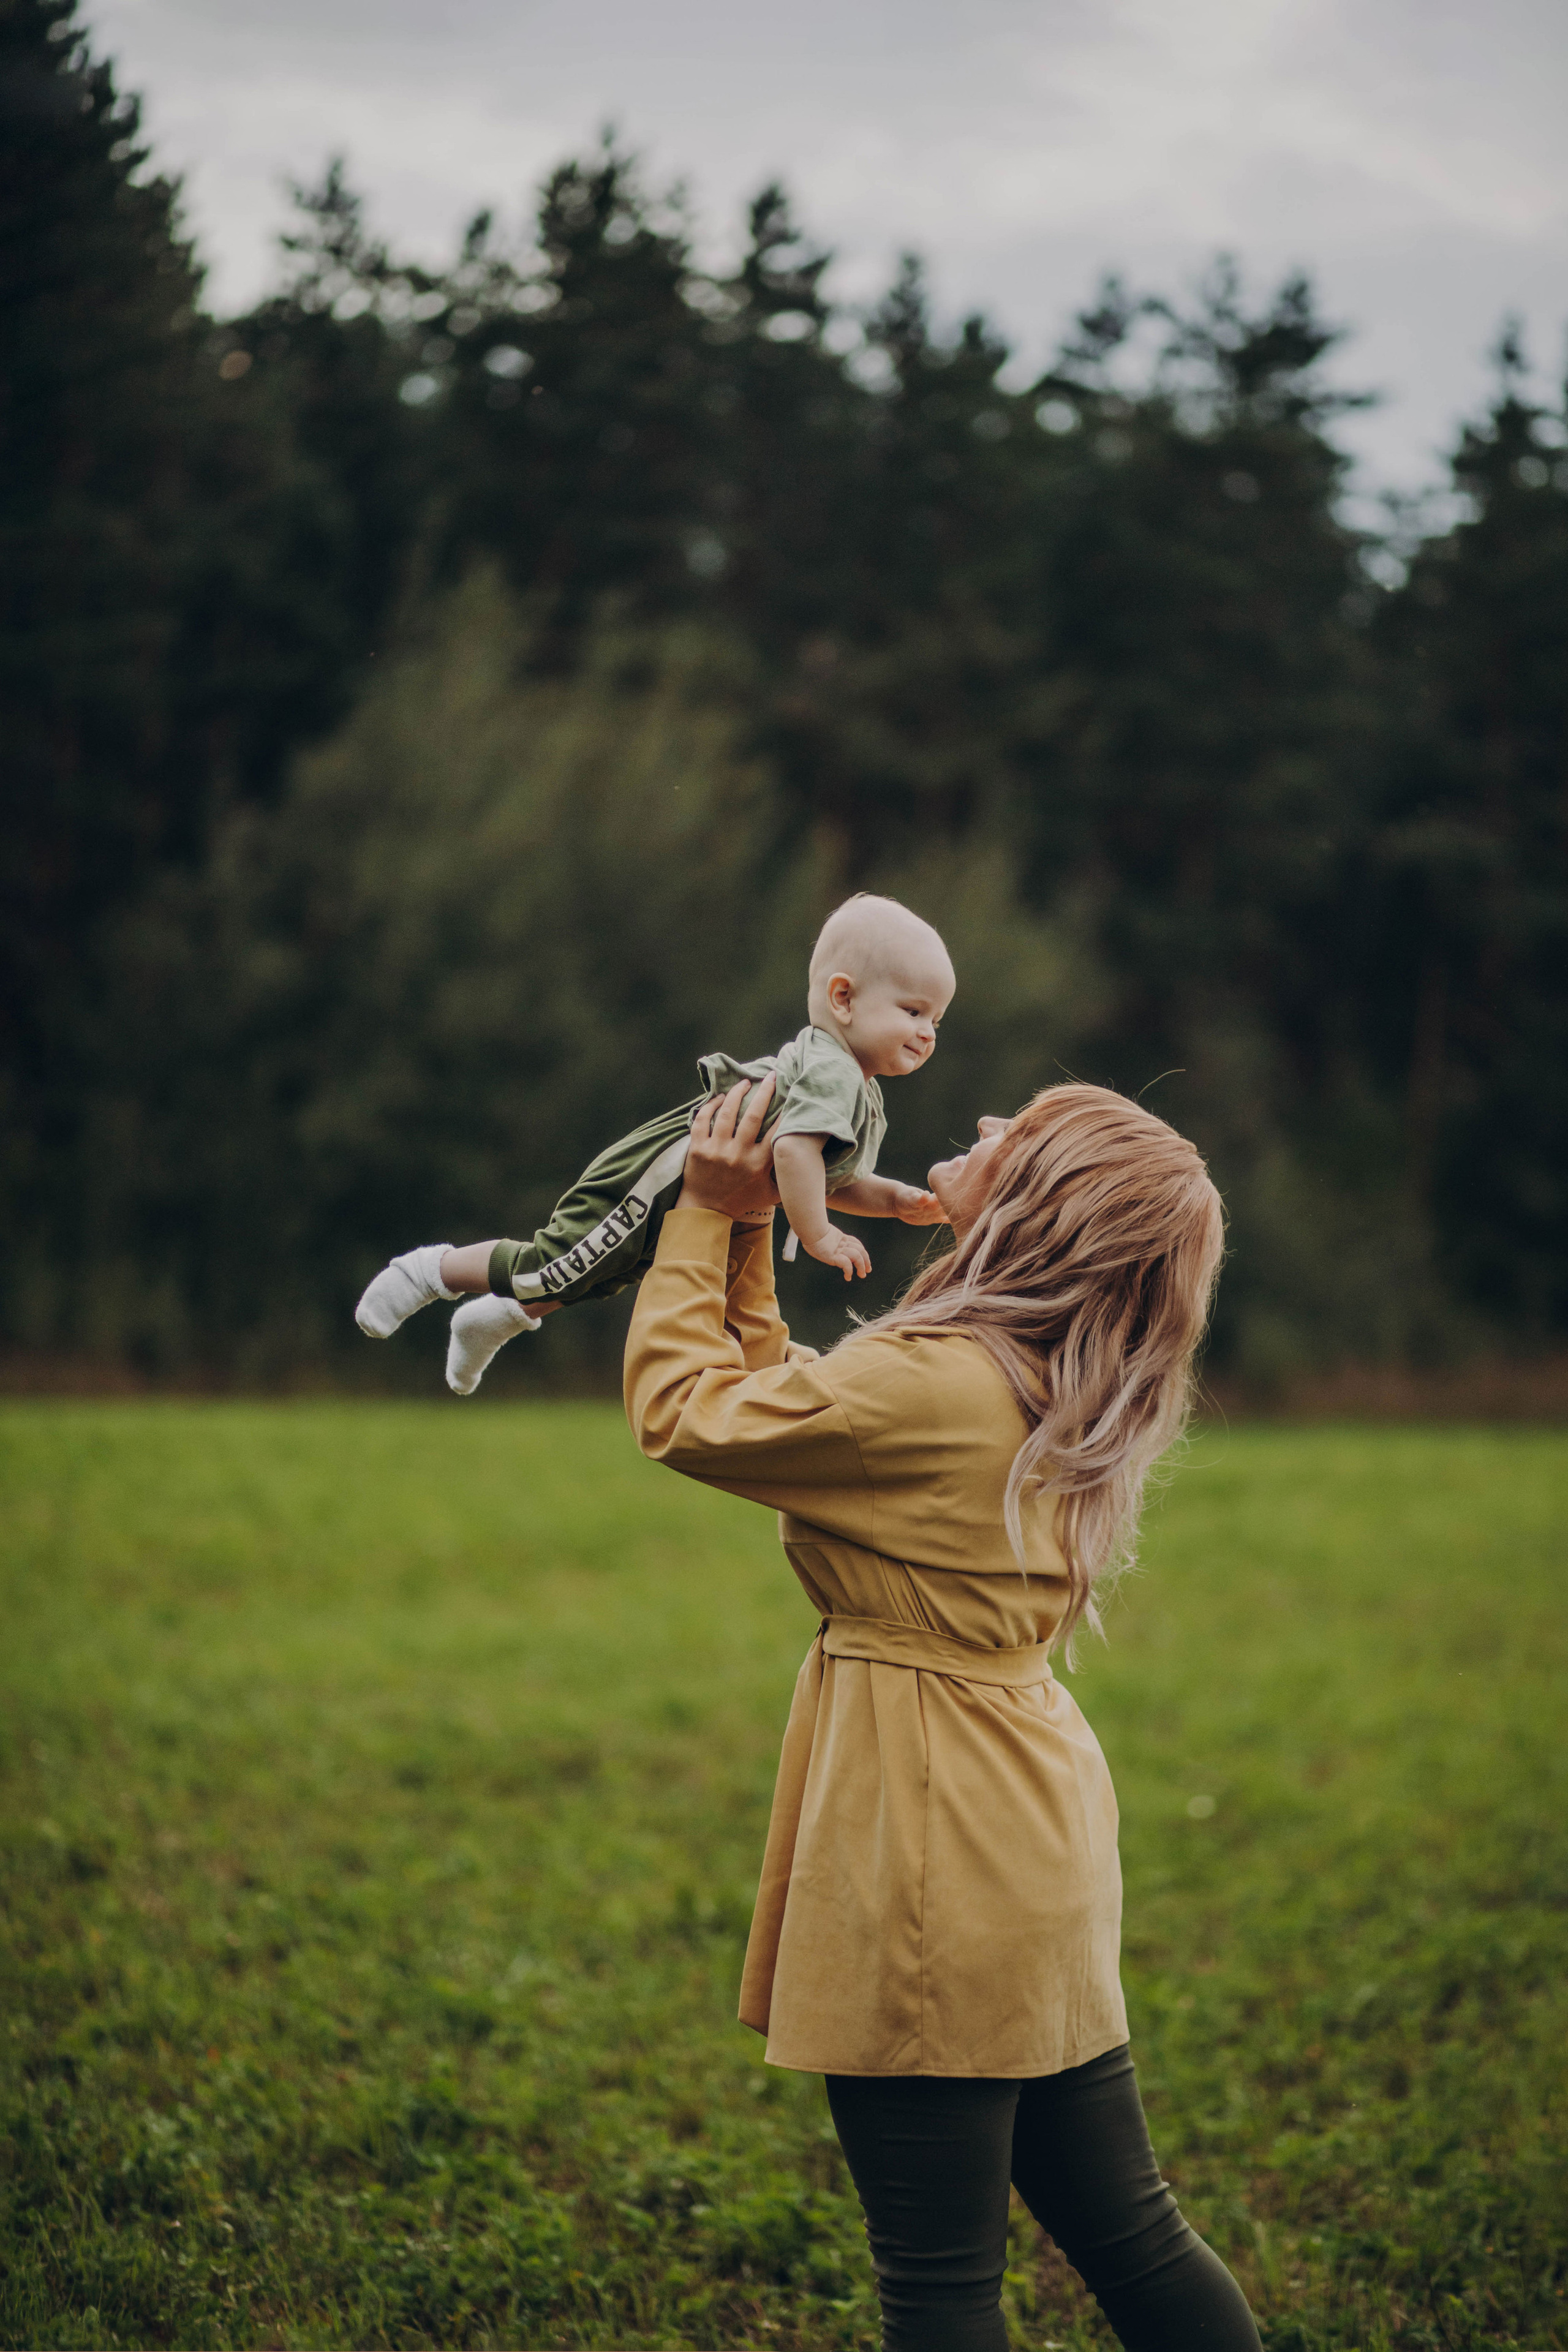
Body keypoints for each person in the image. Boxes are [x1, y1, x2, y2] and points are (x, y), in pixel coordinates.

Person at [623, 1074, 1260, 2352]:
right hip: (1023, 1830)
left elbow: (684, 1416)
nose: (976, 1130)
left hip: (933, 1846)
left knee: (937, 2284)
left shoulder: (937, 1381)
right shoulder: (1032, 1378)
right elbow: (800, 1416)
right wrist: (755, 1224)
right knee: (1132, 2235)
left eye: (1009, 1134)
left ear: (1040, 1203)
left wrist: (698, 1216)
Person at [352, 893, 953, 1393]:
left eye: (936, 1021)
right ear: (843, 999)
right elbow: (794, 1154)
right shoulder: (834, 1072)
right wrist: (818, 1234)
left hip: (697, 1176)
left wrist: (894, 1200)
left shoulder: (858, 1088)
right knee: (560, 1261)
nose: (926, 1034)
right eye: (913, 1011)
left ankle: (502, 1315)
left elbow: (827, 1177)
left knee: (617, 1267)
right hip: (666, 1167)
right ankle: (432, 1271)